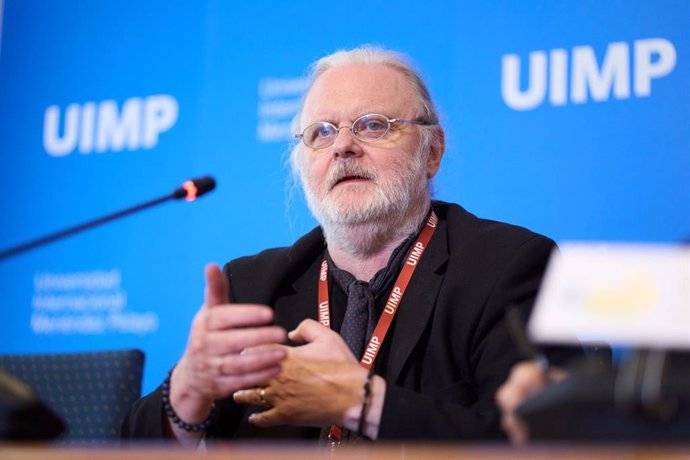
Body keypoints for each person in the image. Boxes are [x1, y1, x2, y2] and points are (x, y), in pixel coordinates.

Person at [121, 45, 557, 444]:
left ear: (432, 152)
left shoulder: (508, 268)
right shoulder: (253, 287)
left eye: (373, 126)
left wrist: (362, 402)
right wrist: (188, 389)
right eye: (322, 133)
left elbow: (548, 441)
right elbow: (131, 448)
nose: (344, 146)